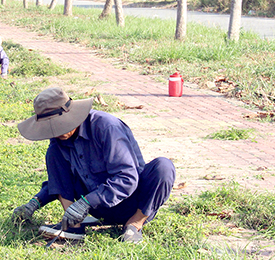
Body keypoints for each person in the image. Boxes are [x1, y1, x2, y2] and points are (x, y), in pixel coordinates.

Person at [13, 87, 175, 244]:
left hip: (131, 201)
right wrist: (35, 202)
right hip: (96, 208)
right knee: (53, 153)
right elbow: (59, 181)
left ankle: (134, 224)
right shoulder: (58, 142)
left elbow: (127, 178)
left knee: (164, 167)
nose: (57, 132)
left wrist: (87, 202)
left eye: (60, 125)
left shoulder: (107, 127)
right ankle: (74, 226)